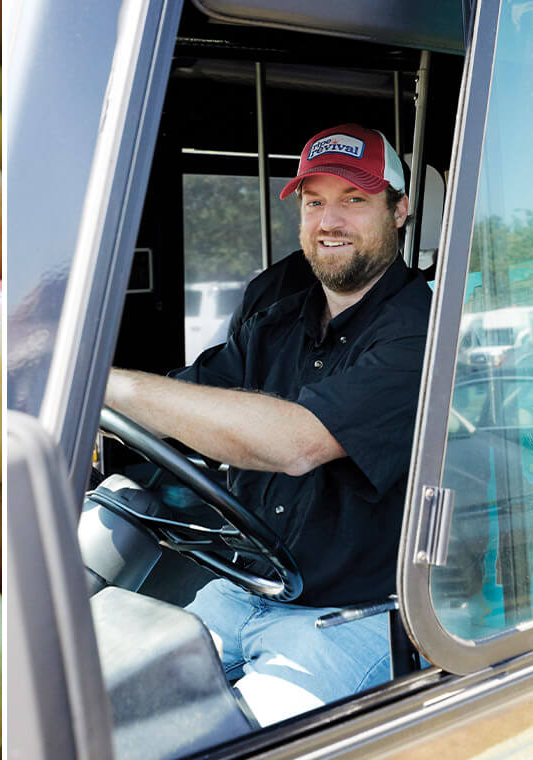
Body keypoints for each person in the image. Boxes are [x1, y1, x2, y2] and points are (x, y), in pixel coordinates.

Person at [104, 123, 432, 725]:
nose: (329, 221)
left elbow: (298, 443)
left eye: (354, 200)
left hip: (346, 620)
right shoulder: (278, 315)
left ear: (400, 210)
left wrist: (101, 380)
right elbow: (194, 396)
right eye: (314, 202)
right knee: (96, 701)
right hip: (244, 589)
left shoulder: (420, 332)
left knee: (222, 740)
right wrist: (102, 412)